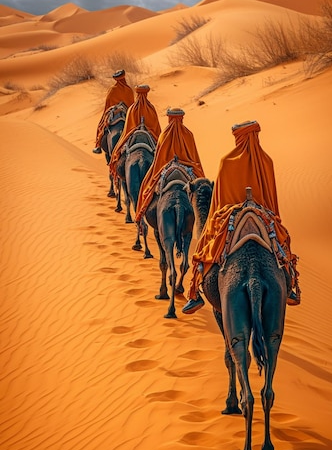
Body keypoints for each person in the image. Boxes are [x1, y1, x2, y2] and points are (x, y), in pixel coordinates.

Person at [182, 120, 301, 314]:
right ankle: (291, 284)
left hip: (229, 214)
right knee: (282, 242)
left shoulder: (226, 161)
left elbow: (218, 201)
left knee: (205, 245)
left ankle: (195, 292)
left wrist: (219, 217)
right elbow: (271, 200)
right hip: (263, 214)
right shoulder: (266, 160)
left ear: (237, 138)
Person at [135, 107, 205, 223]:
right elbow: (194, 158)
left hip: (165, 167)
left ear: (169, 118)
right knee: (203, 189)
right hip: (188, 168)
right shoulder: (188, 134)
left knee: (146, 186)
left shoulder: (164, 134)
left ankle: (140, 216)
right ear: (182, 118)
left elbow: (159, 160)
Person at [109, 84, 161, 176]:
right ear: (147, 94)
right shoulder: (151, 108)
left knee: (118, 153)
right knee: (162, 156)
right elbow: (156, 128)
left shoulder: (132, 109)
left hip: (133, 135)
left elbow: (128, 128)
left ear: (137, 94)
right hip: (150, 135)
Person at [92, 70, 134, 154]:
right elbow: (132, 105)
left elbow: (108, 105)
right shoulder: (129, 90)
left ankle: (98, 145)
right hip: (127, 113)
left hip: (114, 113)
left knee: (102, 126)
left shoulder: (112, 90)